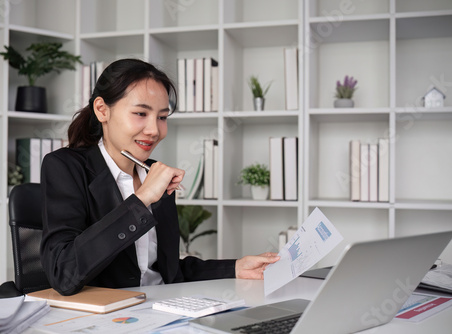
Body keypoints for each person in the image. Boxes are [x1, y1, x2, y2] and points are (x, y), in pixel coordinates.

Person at [40, 58, 279, 296]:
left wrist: (235, 267)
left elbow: (165, 270)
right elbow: (64, 272)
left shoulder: (153, 173)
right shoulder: (65, 167)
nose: (154, 130)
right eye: (141, 113)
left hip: (163, 308)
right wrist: (141, 199)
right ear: (102, 110)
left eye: (162, 117)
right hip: (111, 317)